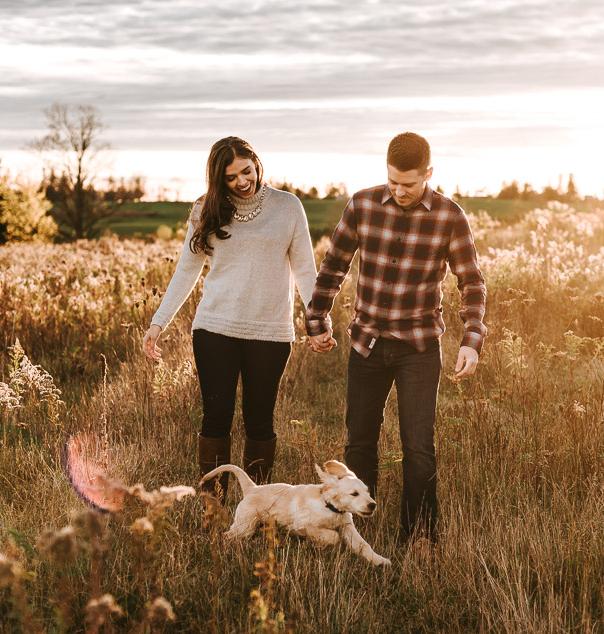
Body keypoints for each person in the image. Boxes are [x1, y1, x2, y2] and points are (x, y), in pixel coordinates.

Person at [305, 132, 487, 544]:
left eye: (409, 183)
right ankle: (354, 534)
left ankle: (419, 538)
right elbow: (333, 267)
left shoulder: (449, 216)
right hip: (366, 343)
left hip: (419, 347)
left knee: (419, 448)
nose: (400, 191)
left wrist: (470, 338)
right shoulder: (363, 205)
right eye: (393, 182)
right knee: (359, 443)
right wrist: (317, 320)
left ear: (428, 174)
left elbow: (471, 282)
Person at [143, 136, 317, 503]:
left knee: (260, 422)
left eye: (246, 171)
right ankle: (213, 510)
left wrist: (318, 322)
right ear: (217, 179)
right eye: (230, 177)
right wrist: (159, 323)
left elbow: (306, 270)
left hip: (270, 332)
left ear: (257, 163)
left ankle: (257, 509)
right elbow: (186, 272)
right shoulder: (205, 210)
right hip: (215, 329)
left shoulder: (288, 207)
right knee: (215, 420)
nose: (241, 181)